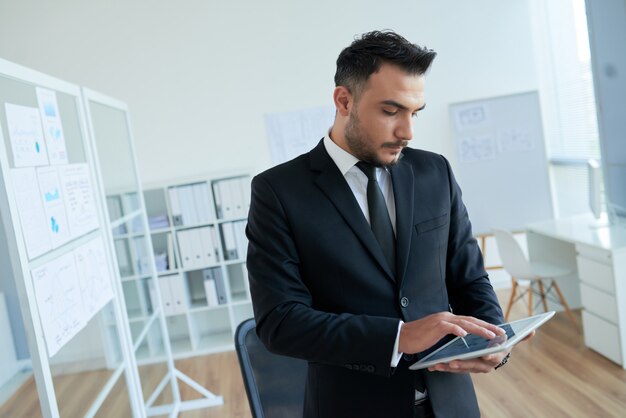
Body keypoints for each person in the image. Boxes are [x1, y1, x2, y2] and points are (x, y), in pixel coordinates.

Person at [246, 30, 516, 418]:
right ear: (344, 101)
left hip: (451, 404)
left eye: (414, 112)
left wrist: (494, 341)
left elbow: (469, 278)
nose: (407, 131)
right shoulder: (278, 191)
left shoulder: (434, 171)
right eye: (391, 111)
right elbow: (280, 322)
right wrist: (399, 337)